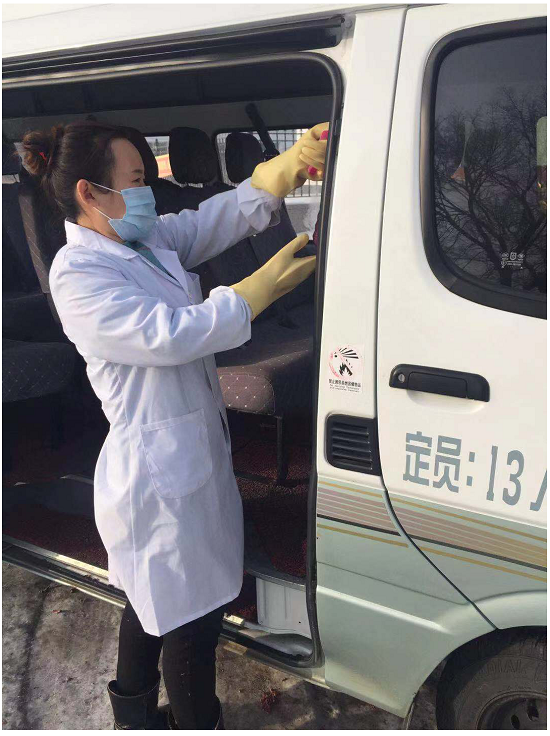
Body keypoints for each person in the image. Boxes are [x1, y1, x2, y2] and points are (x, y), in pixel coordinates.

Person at [21, 119, 328, 730]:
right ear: (90, 193)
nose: (147, 193)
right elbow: (168, 335)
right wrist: (250, 295)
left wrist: (278, 175)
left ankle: (132, 716)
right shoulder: (79, 275)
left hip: (183, 454)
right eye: (136, 180)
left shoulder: (141, 242)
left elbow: (203, 223)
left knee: (150, 600)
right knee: (191, 624)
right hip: (155, 475)